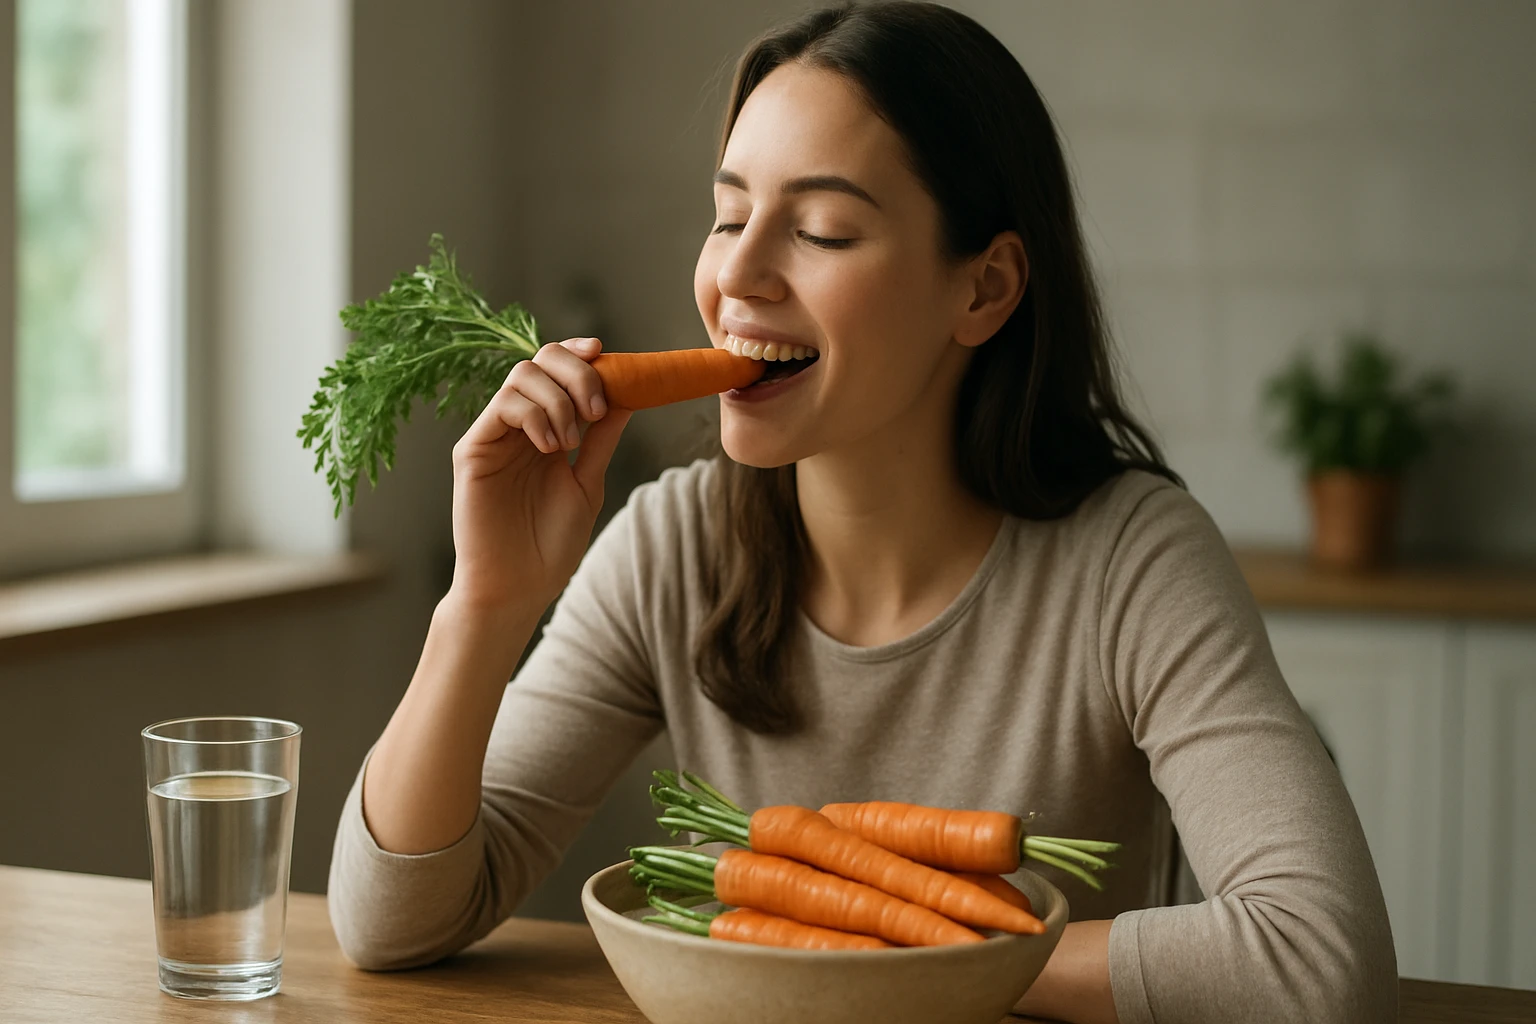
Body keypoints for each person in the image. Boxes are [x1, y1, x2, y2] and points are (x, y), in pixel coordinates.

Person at [328, 3, 1397, 1021]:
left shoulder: (1131, 562)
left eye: (825, 231)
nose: (737, 273)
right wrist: (486, 605)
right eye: (730, 214)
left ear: (983, 290)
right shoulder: (671, 547)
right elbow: (389, 924)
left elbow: (1316, 962)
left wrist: (889, 955)